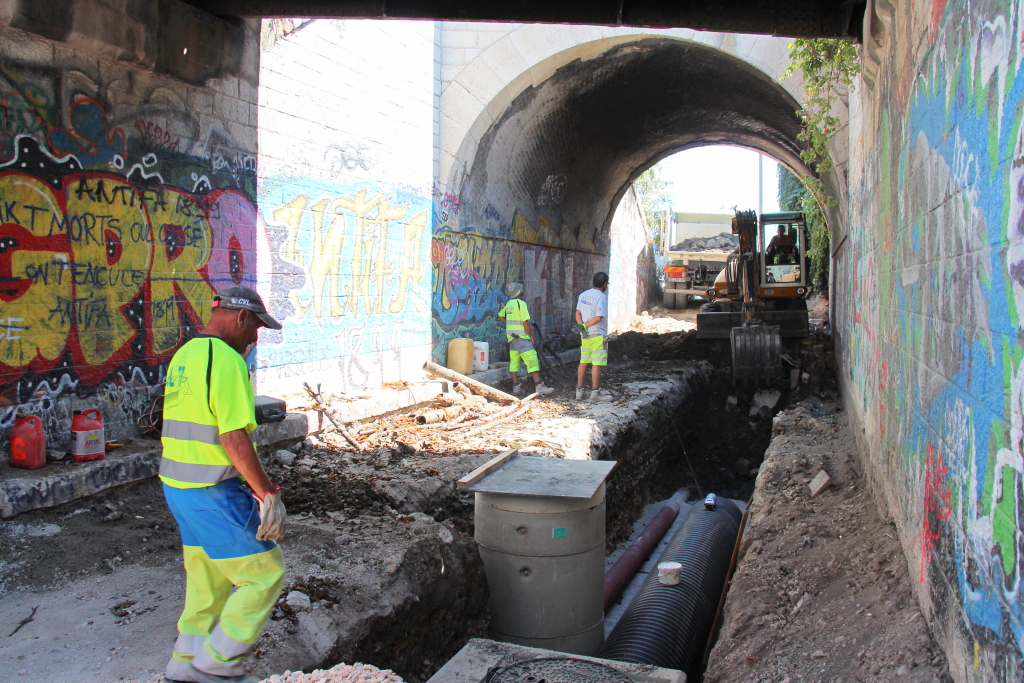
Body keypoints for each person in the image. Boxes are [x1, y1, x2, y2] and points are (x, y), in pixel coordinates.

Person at [160, 285, 287, 683]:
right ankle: (217, 665)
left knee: (207, 578)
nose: (254, 339)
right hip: (212, 489)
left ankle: (184, 663)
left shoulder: (186, 354)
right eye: (256, 329)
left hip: (178, 488)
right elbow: (233, 437)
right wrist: (267, 493)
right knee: (265, 573)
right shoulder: (227, 360)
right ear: (241, 317)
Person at [497, 282, 555, 397]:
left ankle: (516, 387)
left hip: (512, 338)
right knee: (532, 358)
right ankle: (539, 387)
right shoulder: (521, 304)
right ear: (519, 292)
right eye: (521, 289)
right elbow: (525, 322)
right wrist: (530, 335)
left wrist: (508, 324)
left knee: (514, 362)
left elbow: (500, 316)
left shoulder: (509, 304)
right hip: (522, 337)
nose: (523, 290)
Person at [574, 272, 612, 402]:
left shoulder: (583, 294)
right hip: (597, 335)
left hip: (585, 336)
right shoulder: (601, 297)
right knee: (596, 364)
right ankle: (595, 393)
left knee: (583, 362)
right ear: (605, 284)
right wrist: (584, 326)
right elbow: (598, 317)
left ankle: (579, 392)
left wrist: (581, 326)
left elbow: (578, 313)